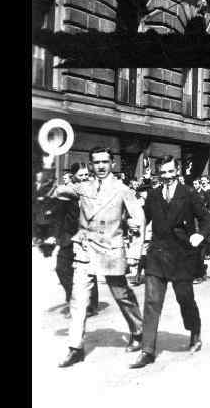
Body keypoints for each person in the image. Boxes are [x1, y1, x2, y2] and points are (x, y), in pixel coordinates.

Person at [51, 147, 145, 368]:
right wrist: (46, 168)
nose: (101, 166)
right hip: (85, 249)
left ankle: (138, 330)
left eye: (105, 162)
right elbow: (55, 191)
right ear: (91, 165)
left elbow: (138, 219)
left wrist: (134, 254)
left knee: (121, 295)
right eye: (96, 162)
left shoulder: (122, 190)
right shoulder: (82, 187)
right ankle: (75, 347)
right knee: (78, 299)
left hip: (111, 249)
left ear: (112, 163)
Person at [129, 156, 210, 369]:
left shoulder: (189, 193)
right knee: (152, 302)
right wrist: (132, 223)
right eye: (163, 172)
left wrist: (200, 235)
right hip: (157, 254)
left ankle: (194, 330)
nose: (167, 176)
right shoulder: (154, 195)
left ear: (177, 171)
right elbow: (143, 218)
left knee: (185, 299)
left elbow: (206, 219)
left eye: (170, 171)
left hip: (181, 255)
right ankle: (147, 350)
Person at [50, 163, 100, 316]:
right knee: (62, 269)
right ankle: (74, 300)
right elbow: (59, 215)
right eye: (81, 175)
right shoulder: (66, 192)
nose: (84, 177)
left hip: (88, 236)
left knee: (87, 270)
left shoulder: (94, 189)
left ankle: (90, 306)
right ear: (73, 176)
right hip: (69, 237)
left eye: (86, 175)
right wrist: (55, 235)